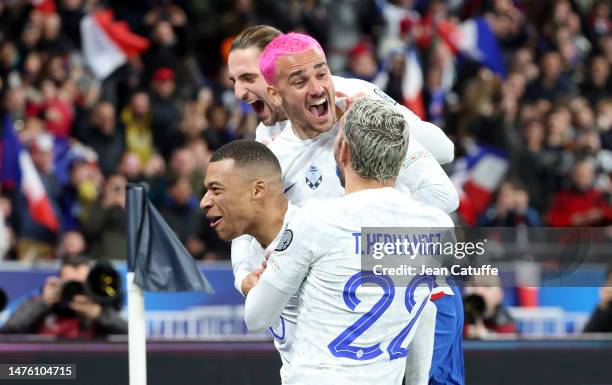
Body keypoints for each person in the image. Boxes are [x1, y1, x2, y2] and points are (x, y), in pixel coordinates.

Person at [240, 96, 453, 384]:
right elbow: (425, 312)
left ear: (343, 152)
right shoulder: (434, 226)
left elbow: (257, 317)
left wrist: (259, 280)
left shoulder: (315, 220)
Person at [0, 255, 127, 338]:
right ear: (60, 281)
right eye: (71, 284)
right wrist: (43, 303)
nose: (77, 291)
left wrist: (99, 314)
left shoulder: (100, 309)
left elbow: (131, 334)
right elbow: (9, 330)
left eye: (82, 285)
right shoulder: (45, 303)